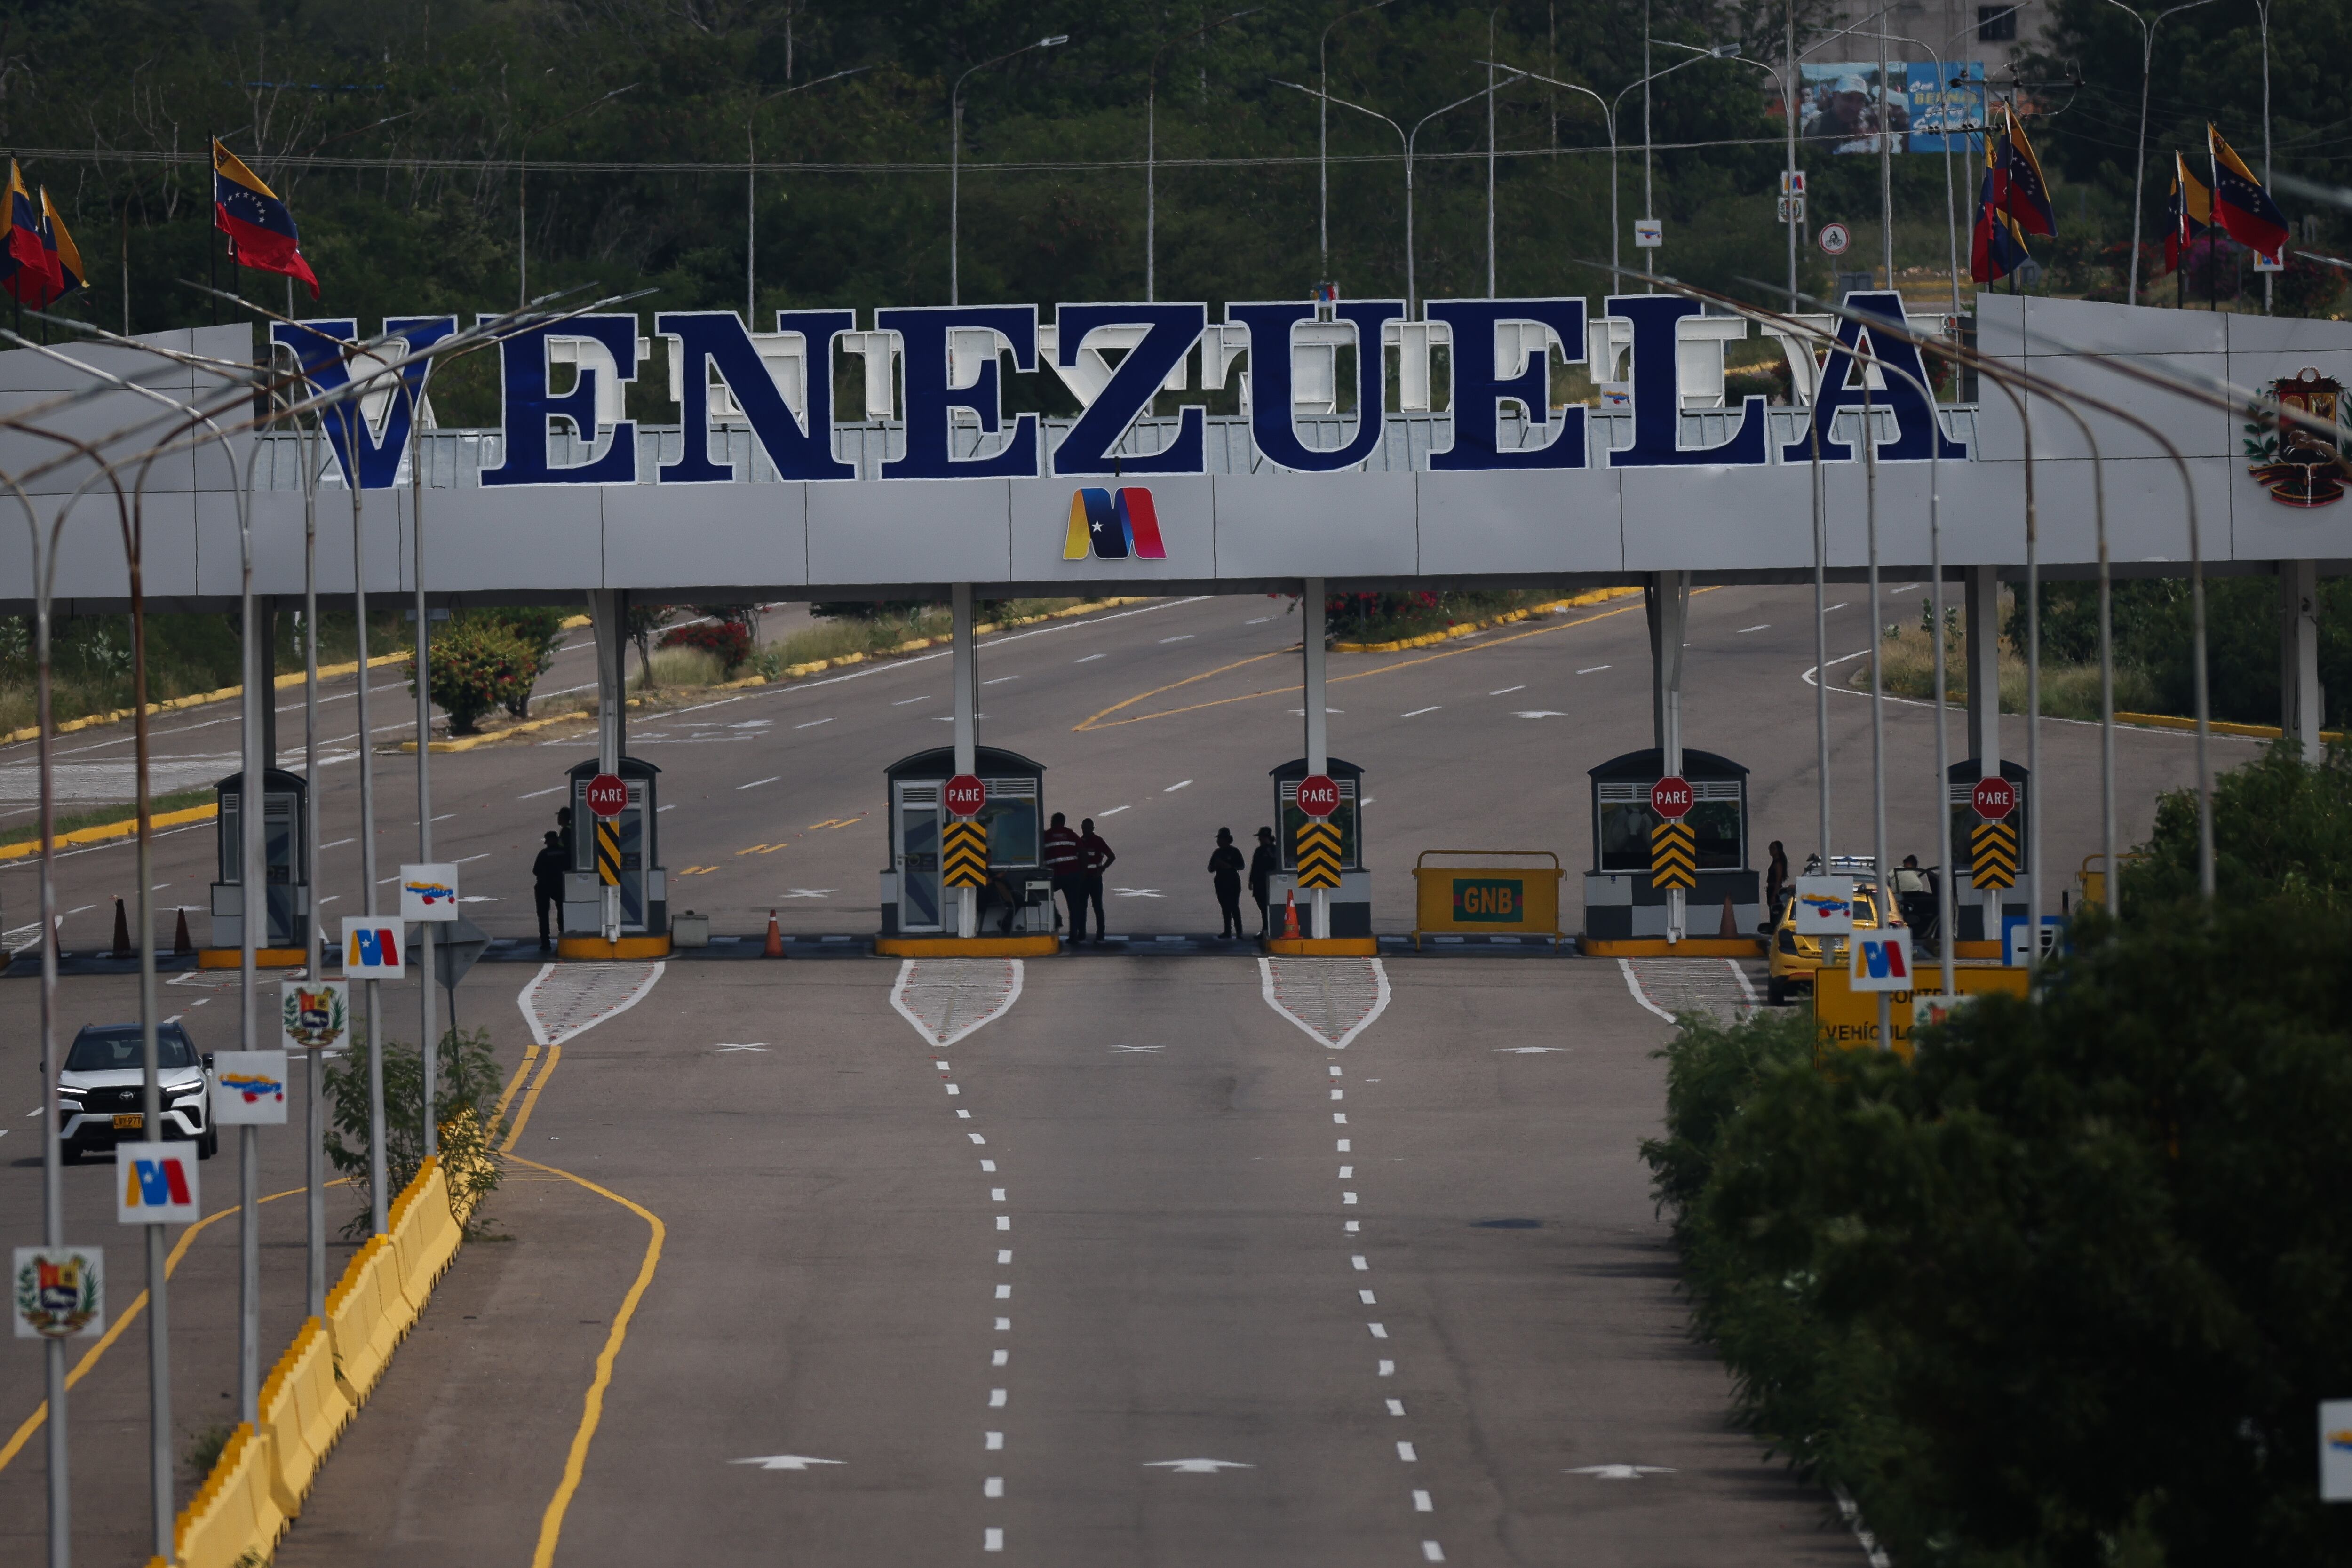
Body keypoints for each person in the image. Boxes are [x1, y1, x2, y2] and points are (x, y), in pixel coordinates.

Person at [1041, 811, 1082, 938]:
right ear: (1064, 823)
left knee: (1045, 896)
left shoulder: (1046, 836)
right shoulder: (1071, 834)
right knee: (1074, 906)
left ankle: (1057, 918)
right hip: (1072, 876)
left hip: (1055, 876)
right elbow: (1083, 853)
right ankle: (1074, 936)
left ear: (1053, 822)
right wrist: (1081, 872)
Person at [1076, 817, 1114, 943]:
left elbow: (1111, 856)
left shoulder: (1098, 841)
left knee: (1097, 907)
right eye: (1084, 828)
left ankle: (1100, 935)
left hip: (1095, 880)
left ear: (1093, 828)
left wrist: (1102, 868)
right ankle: (1081, 934)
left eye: (1088, 828)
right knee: (1081, 908)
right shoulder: (1079, 842)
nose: (1085, 830)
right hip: (1083, 880)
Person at [1891, 853, 1937, 955]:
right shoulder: (1916, 882)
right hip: (1910, 909)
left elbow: (1887, 879)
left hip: (1899, 903)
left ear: (1907, 864)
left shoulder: (1897, 871)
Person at [531, 830, 568, 952]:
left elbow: (535, 871)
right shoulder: (565, 852)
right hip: (560, 886)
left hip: (544, 886)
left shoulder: (544, 854)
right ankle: (563, 935)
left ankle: (545, 942)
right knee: (562, 911)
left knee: (543, 916)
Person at [1208, 828, 1248, 939]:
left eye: (1221, 839)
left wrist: (1229, 866)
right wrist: (1217, 865)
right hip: (1221, 881)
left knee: (1234, 906)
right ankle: (1227, 931)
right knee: (1225, 907)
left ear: (1227, 840)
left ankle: (1239, 931)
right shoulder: (1217, 853)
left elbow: (1242, 865)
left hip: (1233, 881)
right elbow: (1210, 868)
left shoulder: (1234, 852)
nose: (1219, 842)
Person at [1248, 825, 1279, 936]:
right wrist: (1251, 881)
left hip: (1270, 883)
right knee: (1263, 909)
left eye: (1261, 837)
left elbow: (1275, 865)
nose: (1259, 840)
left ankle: (1269, 929)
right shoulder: (1259, 851)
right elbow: (1254, 866)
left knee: (1269, 908)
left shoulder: (1275, 850)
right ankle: (1265, 928)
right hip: (1259, 883)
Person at [1764, 839, 1791, 930]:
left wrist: (1774, 895)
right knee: (1772, 912)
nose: (1771, 850)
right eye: (1770, 848)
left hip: (1775, 890)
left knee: (1775, 913)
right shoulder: (1775, 862)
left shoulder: (1778, 864)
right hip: (1771, 889)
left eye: (1773, 848)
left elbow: (1778, 880)